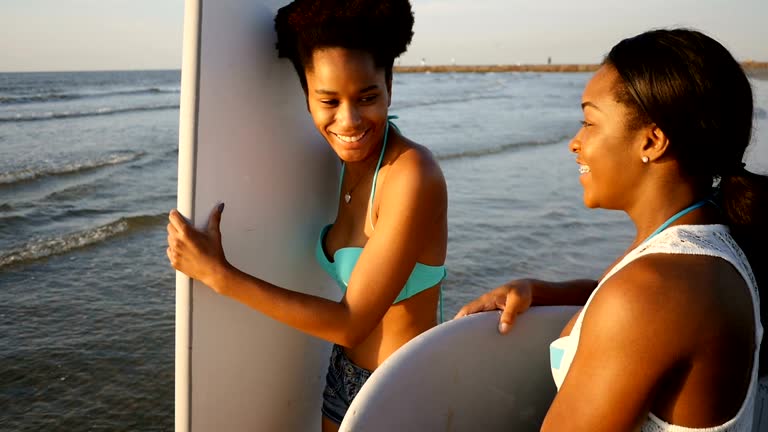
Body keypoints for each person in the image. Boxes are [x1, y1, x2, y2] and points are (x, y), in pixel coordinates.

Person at [456, 28, 767, 431]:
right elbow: (622, 299)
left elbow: (638, 306)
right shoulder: (708, 240)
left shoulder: (651, 290)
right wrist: (544, 289)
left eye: (589, 122)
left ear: (652, 141)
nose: (575, 142)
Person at [166, 0, 447, 430]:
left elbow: (353, 322)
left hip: (402, 386)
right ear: (306, 97)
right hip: (342, 376)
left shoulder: (411, 174)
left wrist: (219, 275)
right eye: (328, 100)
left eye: (367, 97)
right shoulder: (340, 165)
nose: (349, 120)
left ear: (390, 83)